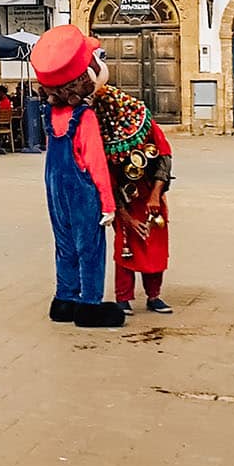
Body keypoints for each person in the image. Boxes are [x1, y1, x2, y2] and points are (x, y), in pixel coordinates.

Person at [30, 25, 125, 329]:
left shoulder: (52, 115)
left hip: (55, 187)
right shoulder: (85, 117)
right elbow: (95, 163)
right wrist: (108, 204)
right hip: (82, 189)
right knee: (90, 246)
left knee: (64, 244)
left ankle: (64, 298)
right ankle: (89, 304)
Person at [96, 87, 175, 314]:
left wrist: (155, 195)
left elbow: (164, 156)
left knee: (155, 242)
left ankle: (154, 295)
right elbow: (107, 177)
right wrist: (124, 215)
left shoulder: (143, 122)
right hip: (124, 198)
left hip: (151, 195)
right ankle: (123, 296)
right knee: (125, 245)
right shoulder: (102, 134)